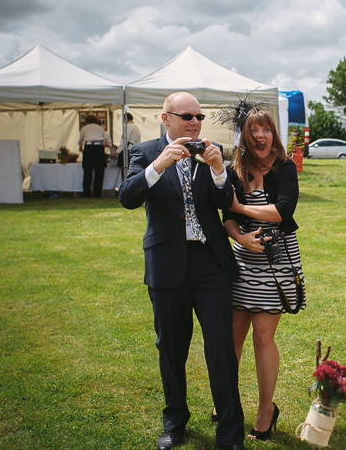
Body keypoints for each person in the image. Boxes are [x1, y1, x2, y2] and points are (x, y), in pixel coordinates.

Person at [118, 92, 246, 450]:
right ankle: (174, 422)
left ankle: (230, 433)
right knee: (171, 349)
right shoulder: (145, 152)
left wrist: (219, 171)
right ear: (166, 118)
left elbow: (226, 202)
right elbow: (127, 197)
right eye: (187, 116)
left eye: (199, 117)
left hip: (210, 263)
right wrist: (159, 165)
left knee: (220, 347)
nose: (195, 122)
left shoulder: (211, 150)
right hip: (167, 262)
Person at [221, 108, 305, 441]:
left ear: (273, 134)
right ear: (244, 135)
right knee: (232, 337)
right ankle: (227, 404)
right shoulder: (235, 169)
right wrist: (240, 237)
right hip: (242, 261)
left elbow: (283, 210)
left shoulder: (284, 167)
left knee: (261, 337)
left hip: (275, 260)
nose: (260, 135)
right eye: (253, 130)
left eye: (266, 129)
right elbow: (225, 217)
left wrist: (240, 207)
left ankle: (266, 411)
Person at [78, 114, 111, 198]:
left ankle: (86, 193)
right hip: (99, 148)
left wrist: (80, 147)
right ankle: (97, 193)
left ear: (86, 121)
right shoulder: (100, 128)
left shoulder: (85, 128)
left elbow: (81, 140)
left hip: (89, 147)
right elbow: (104, 138)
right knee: (99, 171)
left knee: (87, 171)